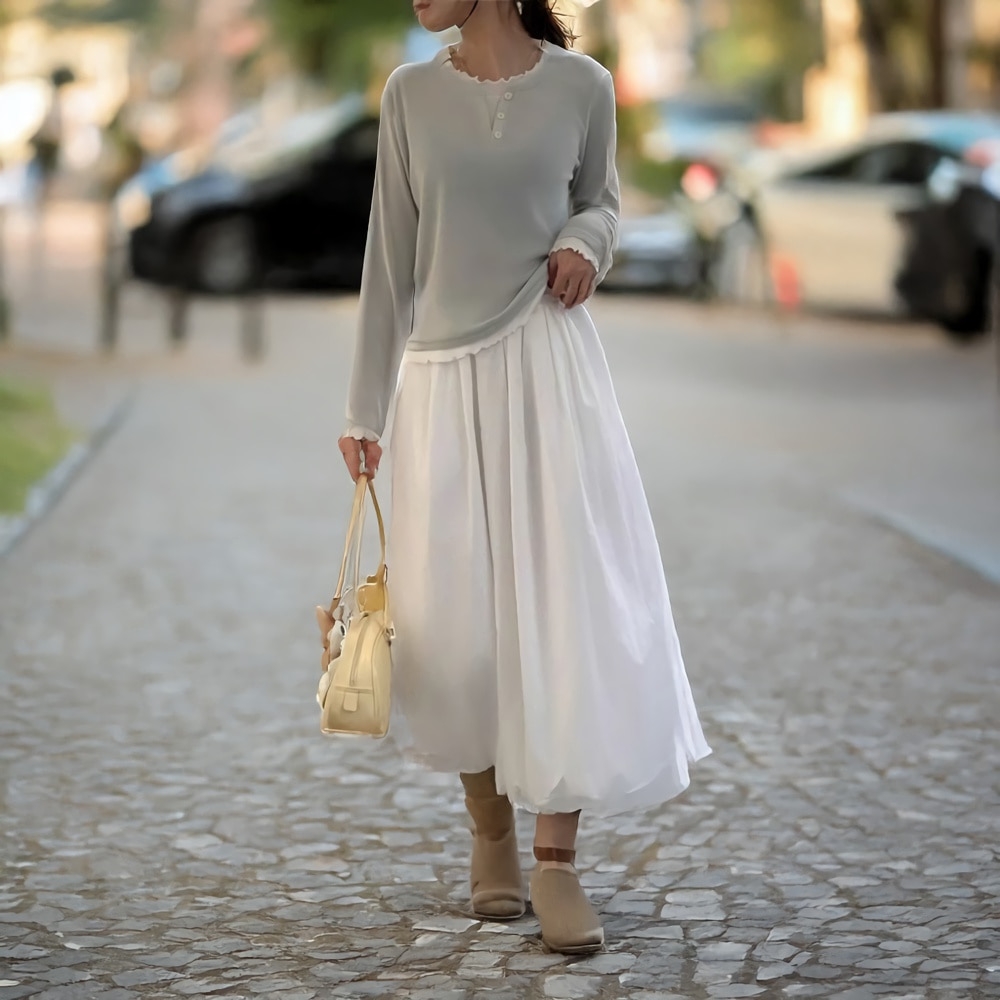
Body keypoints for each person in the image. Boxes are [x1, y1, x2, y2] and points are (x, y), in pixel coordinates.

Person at [338, 0, 711, 955]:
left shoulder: (584, 86)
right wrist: (364, 409)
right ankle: (490, 835)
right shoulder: (409, 94)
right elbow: (389, 256)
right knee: (455, 625)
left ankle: (556, 863)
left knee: (563, 611)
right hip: (441, 383)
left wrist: (587, 240)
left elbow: (605, 202)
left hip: (550, 371)